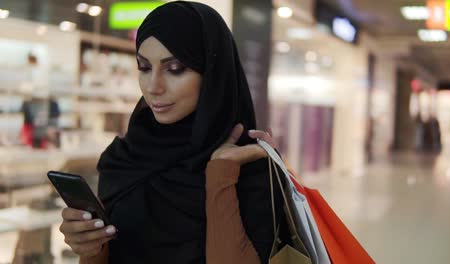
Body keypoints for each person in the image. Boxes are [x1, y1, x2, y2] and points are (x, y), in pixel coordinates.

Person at [58, 2, 287, 264]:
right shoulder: (124, 158)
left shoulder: (251, 166)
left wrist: (221, 175)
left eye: (175, 68)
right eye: (144, 67)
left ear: (212, 74)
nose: (154, 86)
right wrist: (91, 247)